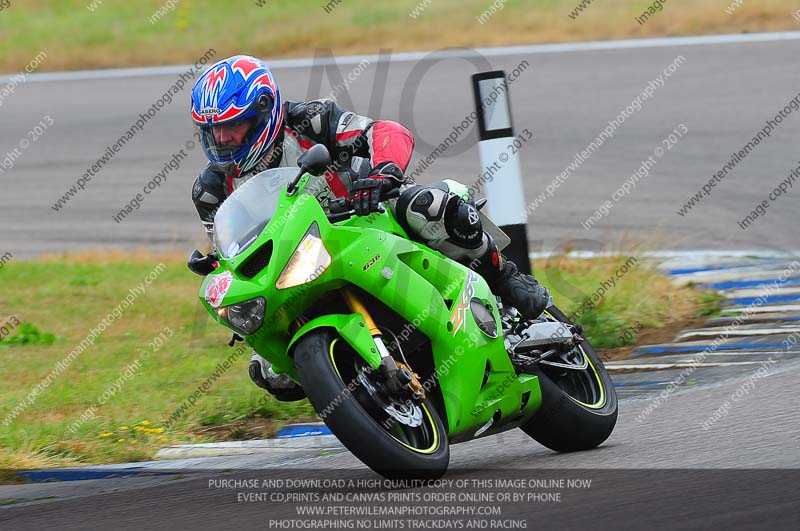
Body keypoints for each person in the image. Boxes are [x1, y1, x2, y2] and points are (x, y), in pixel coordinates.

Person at [190, 55, 549, 401]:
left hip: (368, 215)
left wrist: (384, 173)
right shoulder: (211, 191)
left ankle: (507, 278)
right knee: (270, 371)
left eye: (231, 127)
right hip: (299, 259)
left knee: (430, 207)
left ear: (264, 113)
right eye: (213, 131)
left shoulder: (310, 121)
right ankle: (358, 391)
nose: (222, 140)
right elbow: (229, 253)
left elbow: (386, 131)